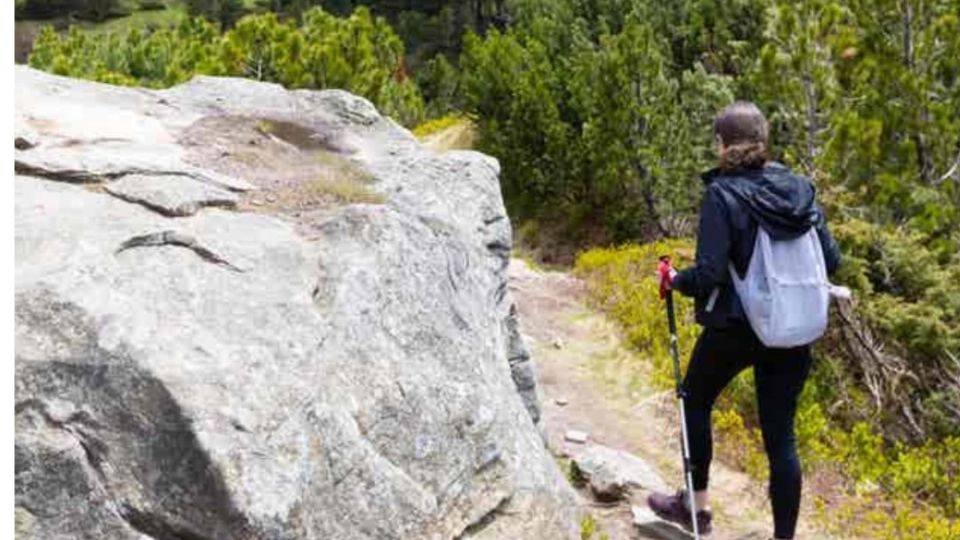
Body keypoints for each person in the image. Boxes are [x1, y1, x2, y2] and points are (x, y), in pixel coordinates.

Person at [647, 102, 842, 540]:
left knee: (695, 400)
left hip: (736, 327)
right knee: (781, 438)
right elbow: (831, 259)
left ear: (721, 144)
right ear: (763, 140)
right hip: (792, 328)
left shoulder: (722, 194)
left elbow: (710, 275)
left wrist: (675, 280)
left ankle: (696, 508)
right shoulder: (799, 189)